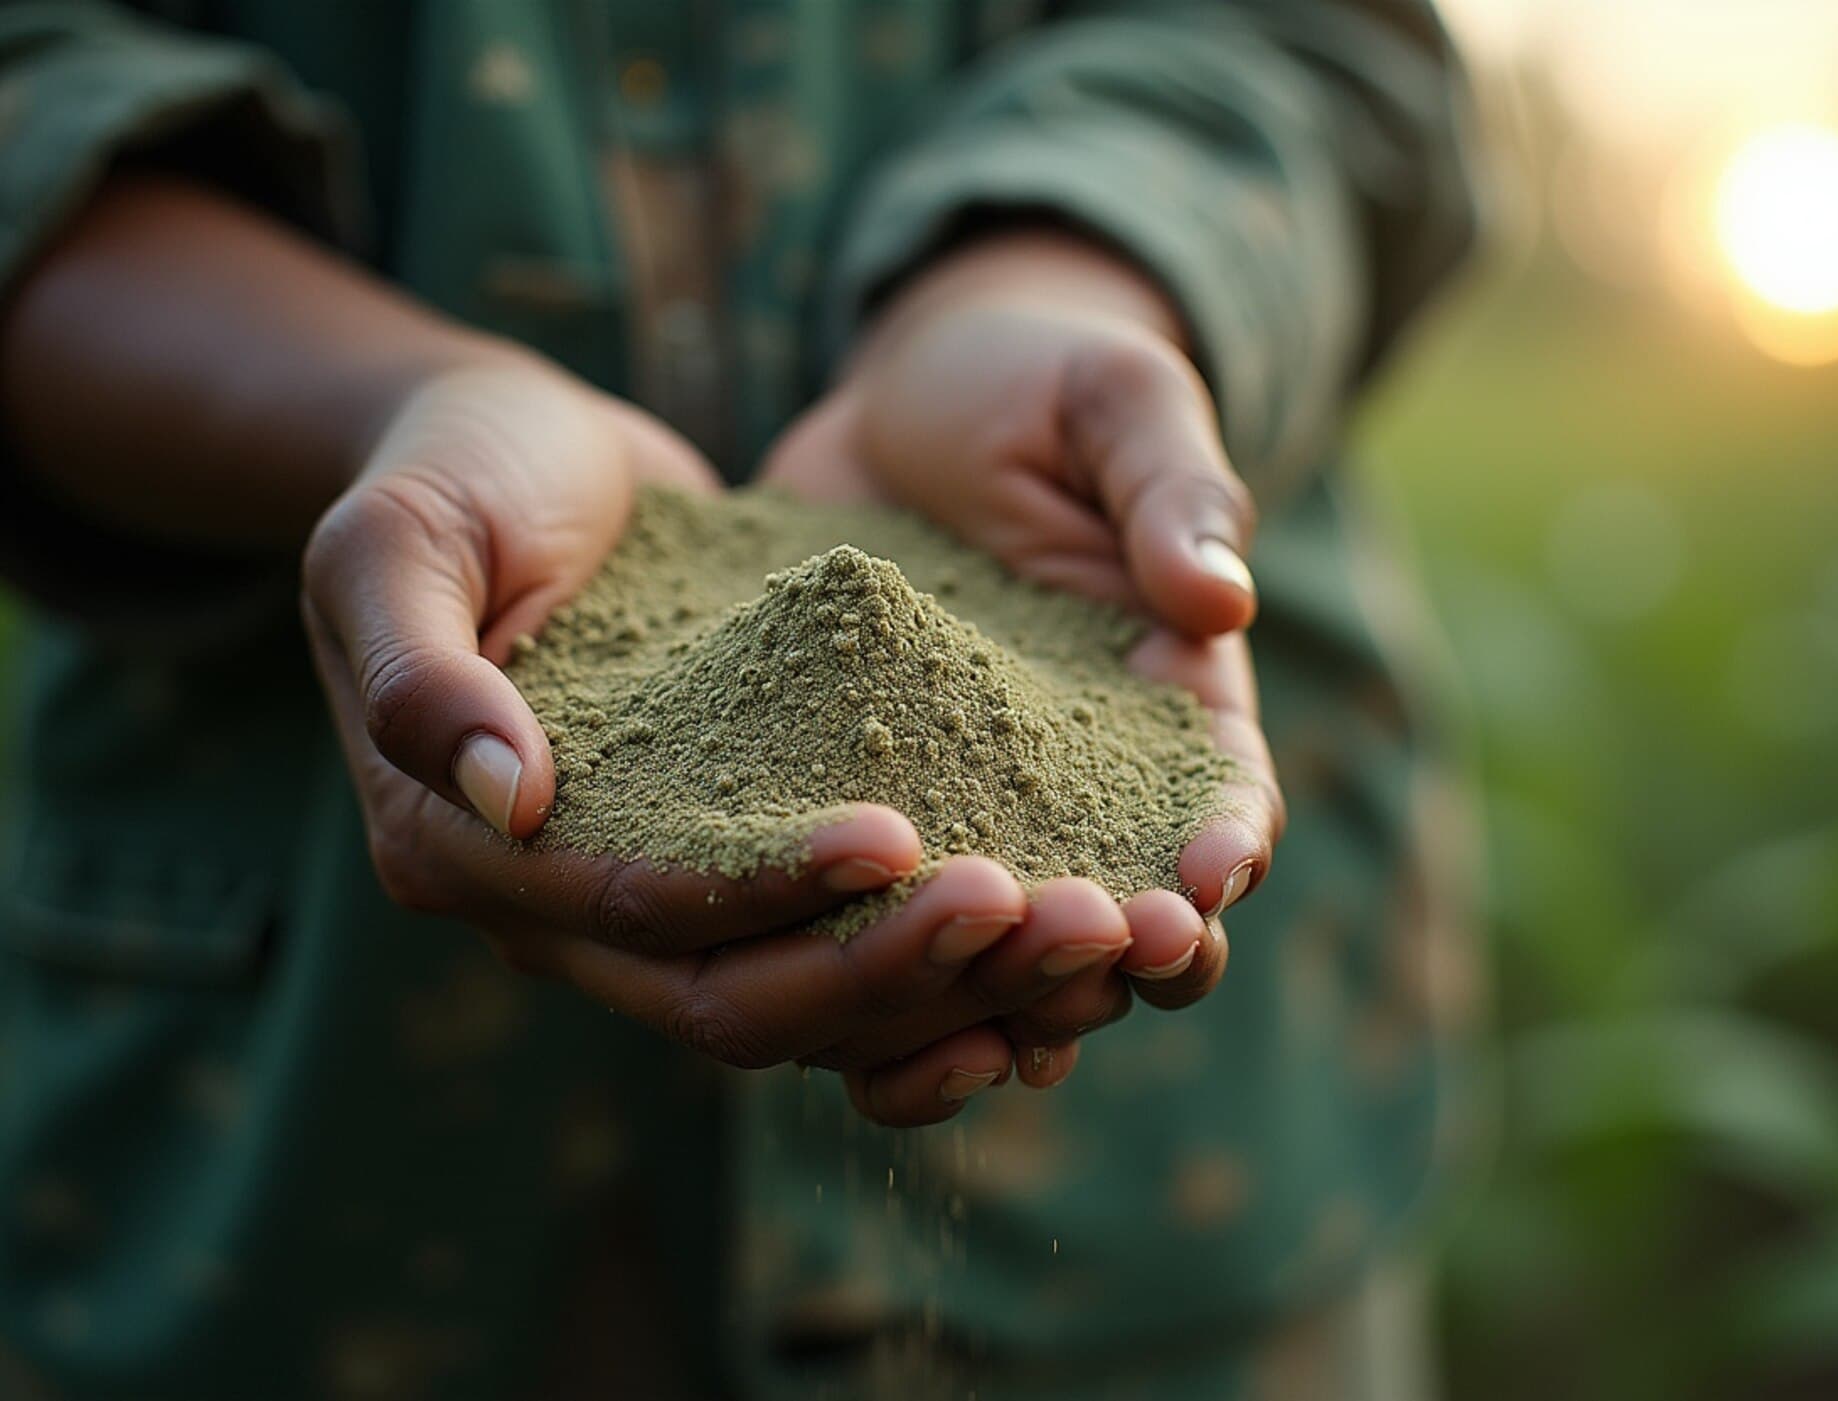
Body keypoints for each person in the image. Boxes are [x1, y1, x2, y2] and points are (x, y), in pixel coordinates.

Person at [0, 2, 1478, 1396]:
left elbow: (1327, 44)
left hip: (1180, 1222)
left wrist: (1059, 278)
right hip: (303, 1168)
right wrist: (384, 405)